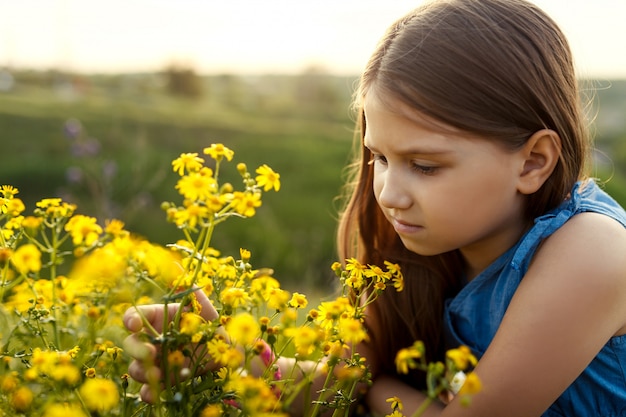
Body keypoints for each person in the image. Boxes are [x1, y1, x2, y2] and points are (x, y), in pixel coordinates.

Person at [124, 0, 626, 415]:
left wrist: (375, 387)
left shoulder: (593, 250)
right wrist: (227, 361)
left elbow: (367, 393)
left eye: (425, 165)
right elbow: (340, 390)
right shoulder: (424, 247)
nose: (387, 192)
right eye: (380, 157)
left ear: (533, 161)